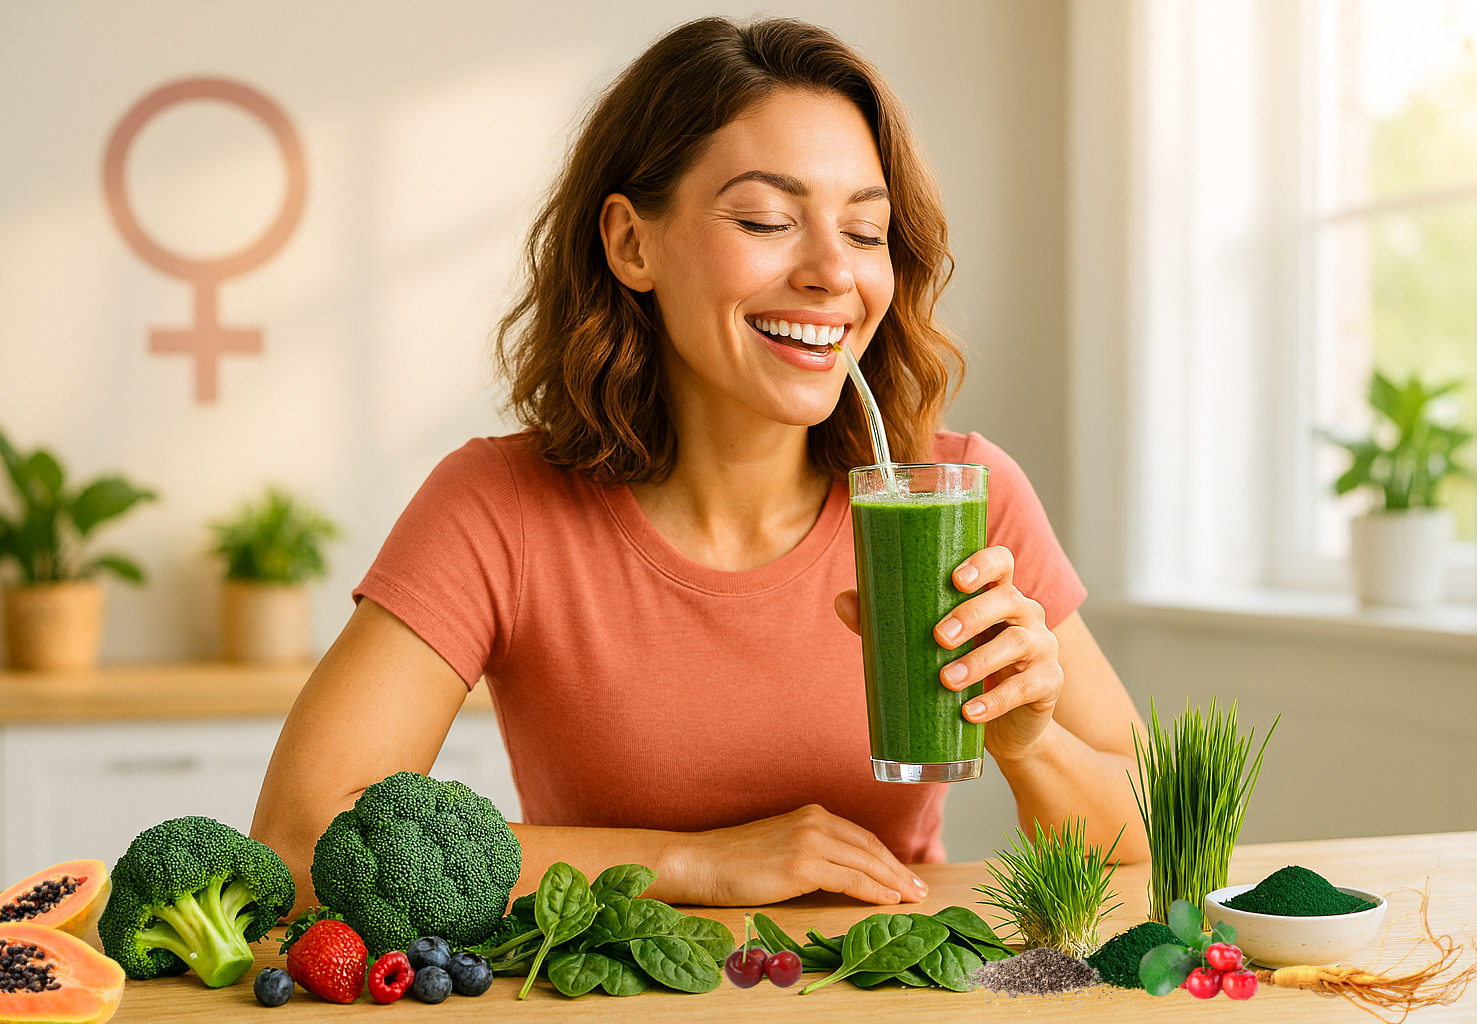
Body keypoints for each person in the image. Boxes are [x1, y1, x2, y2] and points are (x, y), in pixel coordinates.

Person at [250, 16, 1148, 914]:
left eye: (867, 232)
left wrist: (1034, 745)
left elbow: (1154, 837)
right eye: (766, 220)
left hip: (889, 990)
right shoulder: (499, 507)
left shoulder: (956, 498)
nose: (833, 272)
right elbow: (300, 842)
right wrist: (693, 865)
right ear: (631, 245)